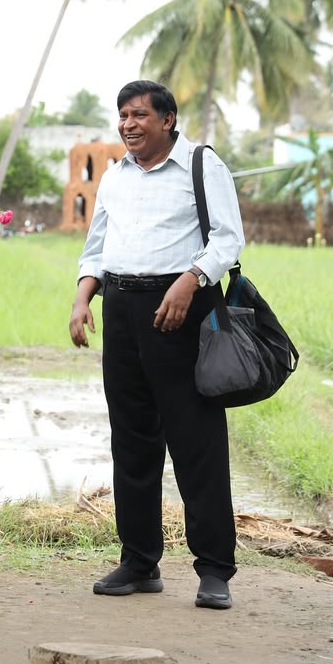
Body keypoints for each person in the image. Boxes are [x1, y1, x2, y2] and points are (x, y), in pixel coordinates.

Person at [68, 80, 245, 610]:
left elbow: (228, 239)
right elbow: (96, 244)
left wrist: (189, 282)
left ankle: (215, 570)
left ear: (167, 119)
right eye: (122, 115)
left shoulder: (201, 165)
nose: (128, 124)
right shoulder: (116, 176)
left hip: (180, 311)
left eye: (139, 115)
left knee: (197, 442)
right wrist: (83, 300)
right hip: (121, 311)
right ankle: (140, 562)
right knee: (132, 440)